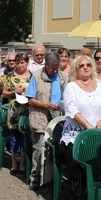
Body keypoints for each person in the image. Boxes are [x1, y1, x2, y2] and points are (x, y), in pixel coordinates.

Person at [59, 54, 101, 200]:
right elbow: (71, 109)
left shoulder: (100, 87)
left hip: (97, 133)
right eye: (81, 65)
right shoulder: (71, 87)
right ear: (75, 69)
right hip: (75, 133)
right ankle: (77, 199)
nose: (85, 67)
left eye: (88, 65)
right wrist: (87, 125)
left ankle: (97, 196)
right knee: (77, 161)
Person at [27, 52, 63, 191]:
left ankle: (52, 180)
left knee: (55, 150)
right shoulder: (36, 76)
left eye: (57, 68)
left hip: (57, 118)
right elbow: (30, 99)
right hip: (40, 117)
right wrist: (46, 105)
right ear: (46, 65)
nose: (55, 71)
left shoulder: (62, 77)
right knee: (39, 148)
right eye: (52, 68)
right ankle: (35, 179)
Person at [1, 53, 32, 174]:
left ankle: (23, 163)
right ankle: (14, 163)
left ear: (27, 63)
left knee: (25, 137)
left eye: (22, 62)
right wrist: (15, 92)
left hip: (27, 109)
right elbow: (4, 93)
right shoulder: (10, 76)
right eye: (18, 62)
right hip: (14, 109)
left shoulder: (32, 77)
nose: (20, 65)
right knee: (14, 137)